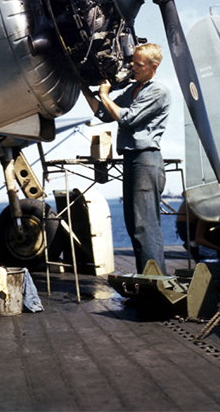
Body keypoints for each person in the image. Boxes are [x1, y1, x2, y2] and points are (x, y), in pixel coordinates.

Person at [80, 43, 171, 274]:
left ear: (154, 67)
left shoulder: (158, 90)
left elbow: (126, 118)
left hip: (146, 160)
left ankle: (155, 284)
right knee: (134, 225)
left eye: (138, 65)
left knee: (145, 227)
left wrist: (104, 94)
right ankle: (146, 284)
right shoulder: (134, 90)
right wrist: (84, 88)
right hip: (132, 160)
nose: (133, 68)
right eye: (133, 63)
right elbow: (104, 112)